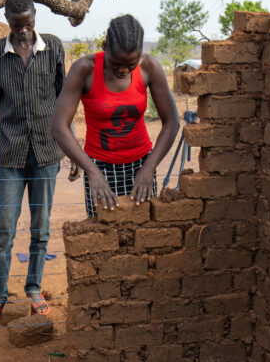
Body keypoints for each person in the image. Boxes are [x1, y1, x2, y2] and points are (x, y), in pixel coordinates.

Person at [0, 0, 73, 324]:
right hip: (8, 153)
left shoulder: (53, 48)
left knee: (41, 228)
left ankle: (34, 288)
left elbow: (65, 100)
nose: (23, 31)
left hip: (47, 152)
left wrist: (71, 147)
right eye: (17, 25)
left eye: (29, 24)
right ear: (8, 22)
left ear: (35, 19)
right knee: (3, 230)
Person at [51, 14, 180, 218]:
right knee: (104, 235)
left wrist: (149, 167)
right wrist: (91, 171)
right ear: (105, 47)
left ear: (140, 54)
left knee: (142, 231)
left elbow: (172, 122)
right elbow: (58, 126)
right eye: (116, 62)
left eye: (131, 64)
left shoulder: (150, 67)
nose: (123, 70)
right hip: (99, 167)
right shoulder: (84, 70)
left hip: (142, 166)